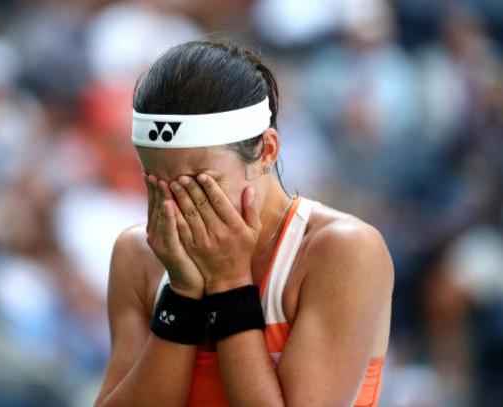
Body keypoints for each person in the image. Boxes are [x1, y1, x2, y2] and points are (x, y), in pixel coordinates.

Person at [95, 38, 393, 406]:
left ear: (267, 151)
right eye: (155, 182)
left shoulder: (343, 251)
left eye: (201, 183)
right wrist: (183, 296)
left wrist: (229, 283)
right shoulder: (137, 254)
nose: (176, 206)